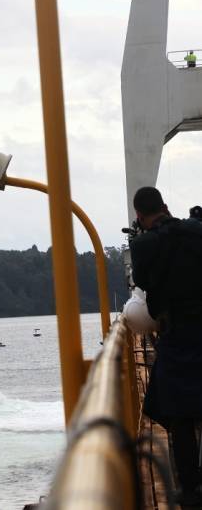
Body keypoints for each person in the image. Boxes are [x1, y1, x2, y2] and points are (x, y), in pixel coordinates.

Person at [130, 186, 202, 505]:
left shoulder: (144, 244)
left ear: (139, 215)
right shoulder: (196, 230)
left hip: (177, 333)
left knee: (178, 415)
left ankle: (189, 488)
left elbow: (145, 284)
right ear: (165, 206)